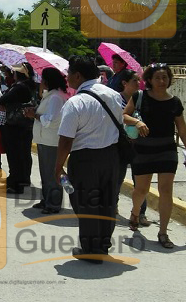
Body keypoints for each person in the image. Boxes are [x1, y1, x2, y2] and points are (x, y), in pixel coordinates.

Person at [55, 56, 122, 264]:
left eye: (68, 74)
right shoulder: (114, 95)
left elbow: (66, 140)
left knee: (87, 203)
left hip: (84, 159)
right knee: (108, 201)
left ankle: (90, 250)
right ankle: (102, 244)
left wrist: (57, 168)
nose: (67, 78)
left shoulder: (76, 102)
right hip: (112, 157)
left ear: (77, 75)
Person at [124, 64, 186, 249]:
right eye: (158, 78)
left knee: (166, 191)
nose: (162, 81)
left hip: (167, 150)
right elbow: (124, 116)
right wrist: (137, 122)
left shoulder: (174, 102)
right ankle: (136, 212)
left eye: (165, 77)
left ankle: (163, 232)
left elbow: (182, 128)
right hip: (143, 150)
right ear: (149, 80)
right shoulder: (139, 96)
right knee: (141, 190)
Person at [24, 68, 70, 214]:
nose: (40, 81)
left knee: (52, 173)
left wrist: (34, 115)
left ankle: (54, 203)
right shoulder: (50, 96)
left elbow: (51, 120)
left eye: (43, 79)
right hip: (45, 140)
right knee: (45, 172)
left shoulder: (56, 97)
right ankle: (47, 199)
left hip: (52, 141)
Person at [115, 69, 150, 226]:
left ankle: (140, 212)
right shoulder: (116, 99)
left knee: (140, 182)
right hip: (121, 144)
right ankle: (112, 204)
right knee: (117, 177)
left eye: (139, 80)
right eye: (134, 81)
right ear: (124, 83)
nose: (138, 83)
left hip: (139, 146)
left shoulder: (142, 98)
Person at [0, 63, 36, 194]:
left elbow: (2, 100)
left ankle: (16, 183)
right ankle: (24, 178)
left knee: (15, 155)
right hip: (27, 124)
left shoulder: (19, 87)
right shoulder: (32, 86)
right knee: (24, 153)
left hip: (15, 125)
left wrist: (4, 103)